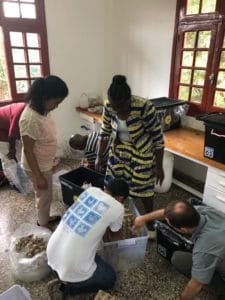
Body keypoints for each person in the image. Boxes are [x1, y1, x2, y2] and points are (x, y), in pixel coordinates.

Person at [95, 75, 164, 236]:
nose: (117, 111)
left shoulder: (145, 107)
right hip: (119, 149)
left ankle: (150, 223)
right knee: (112, 184)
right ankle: (113, 216)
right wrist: (100, 156)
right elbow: (105, 132)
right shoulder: (109, 106)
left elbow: (158, 138)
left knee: (144, 188)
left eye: (120, 107)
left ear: (129, 100)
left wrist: (158, 165)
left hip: (142, 150)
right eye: (114, 107)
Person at [46, 178, 129, 300]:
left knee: (89, 249)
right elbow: (115, 240)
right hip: (70, 267)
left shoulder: (91, 191)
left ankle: (64, 275)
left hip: (51, 254)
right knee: (110, 278)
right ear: (121, 198)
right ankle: (70, 288)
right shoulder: (118, 207)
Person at [133, 200, 225, 300]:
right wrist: (143, 218)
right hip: (219, 245)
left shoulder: (204, 248)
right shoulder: (204, 211)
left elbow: (196, 284)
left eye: (171, 225)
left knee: (179, 259)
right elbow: (167, 213)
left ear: (183, 230)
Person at [19, 75, 69, 228]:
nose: (57, 106)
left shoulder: (42, 110)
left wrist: (51, 162)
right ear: (44, 98)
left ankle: (44, 218)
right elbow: (28, 150)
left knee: (45, 195)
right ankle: (43, 225)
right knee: (44, 197)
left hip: (44, 163)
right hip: (37, 167)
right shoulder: (30, 119)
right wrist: (38, 175)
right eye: (55, 102)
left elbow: (43, 139)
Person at [0, 102, 27, 187]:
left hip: (6, 125)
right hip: (3, 129)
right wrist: (12, 149)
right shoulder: (22, 111)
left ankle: (22, 178)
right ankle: (14, 183)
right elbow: (12, 134)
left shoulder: (34, 113)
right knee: (7, 156)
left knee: (20, 154)